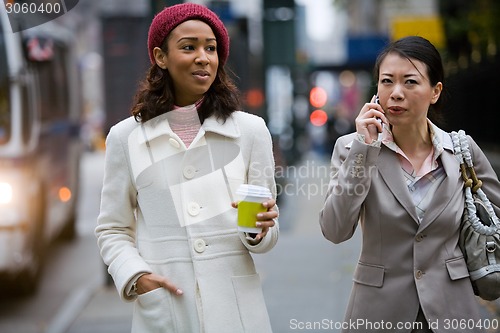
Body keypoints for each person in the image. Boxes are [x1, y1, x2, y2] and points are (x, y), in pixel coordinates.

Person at [95, 3, 278, 332]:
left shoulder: (251, 132)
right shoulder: (126, 139)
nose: (203, 57)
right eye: (188, 47)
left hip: (237, 315)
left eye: (211, 48)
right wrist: (137, 277)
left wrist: (260, 229)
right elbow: (113, 229)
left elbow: (265, 233)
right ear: (161, 57)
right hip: (167, 310)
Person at [319, 35, 500, 333]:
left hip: (453, 311)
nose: (396, 93)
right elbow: (334, 229)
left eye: (411, 82)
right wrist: (365, 150)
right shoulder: (352, 149)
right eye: (387, 81)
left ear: (435, 91)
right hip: (378, 313)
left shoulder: (462, 151)